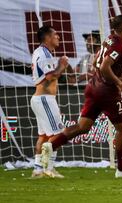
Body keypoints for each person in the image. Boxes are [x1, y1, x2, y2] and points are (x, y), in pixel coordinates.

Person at [41, 15, 122, 178]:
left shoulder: (109, 39)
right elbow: (103, 66)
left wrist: (116, 76)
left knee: (82, 126)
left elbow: (96, 62)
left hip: (93, 87)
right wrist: (119, 83)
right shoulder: (119, 45)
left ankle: (51, 144)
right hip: (107, 92)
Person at [30, 25, 68, 178]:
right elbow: (51, 76)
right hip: (45, 99)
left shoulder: (40, 52)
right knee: (58, 134)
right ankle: (48, 168)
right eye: (55, 35)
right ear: (47, 37)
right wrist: (62, 65)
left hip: (39, 99)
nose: (58, 37)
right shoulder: (45, 54)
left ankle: (38, 170)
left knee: (44, 136)